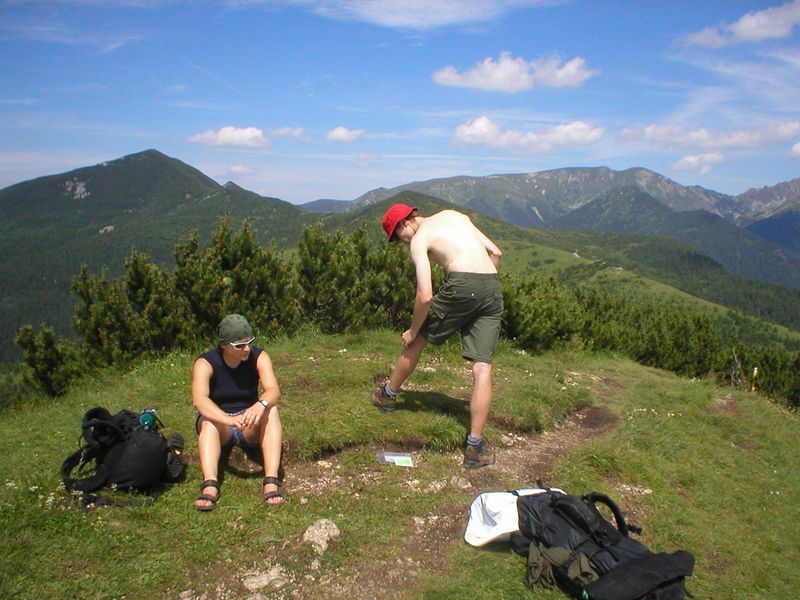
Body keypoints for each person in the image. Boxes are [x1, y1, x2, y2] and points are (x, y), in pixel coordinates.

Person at [371, 203, 503, 469]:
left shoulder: (420, 238)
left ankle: (387, 395)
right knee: (482, 367)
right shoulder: (455, 215)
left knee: (417, 341)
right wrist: (480, 287)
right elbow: (496, 252)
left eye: (398, 239)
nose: (402, 244)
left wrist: (412, 330)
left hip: (463, 284)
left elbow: (425, 295)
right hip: (492, 287)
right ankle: (475, 447)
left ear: (403, 225)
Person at [192, 314, 284, 510]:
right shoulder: (205, 363)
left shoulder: (259, 356)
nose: (247, 349)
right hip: (220, 422)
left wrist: (260, 405)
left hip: (248, 420)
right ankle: (210, 484)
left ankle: (271, 479)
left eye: (250, 342)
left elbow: (273, 390)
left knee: (272, 410)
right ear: (224, 345)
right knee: (207, 421)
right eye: (240, 346)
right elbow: (199, 400)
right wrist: (226, 419)